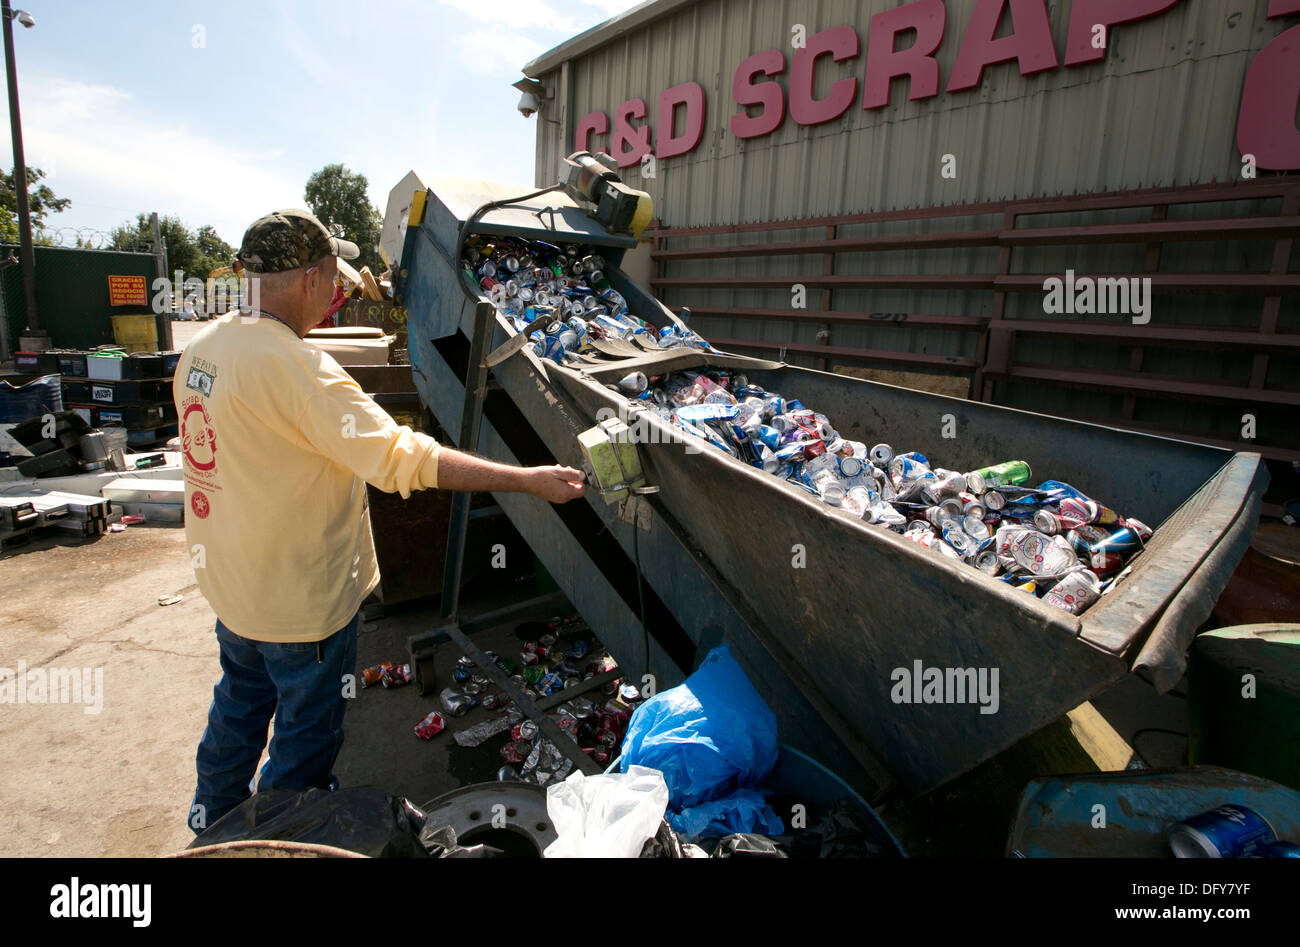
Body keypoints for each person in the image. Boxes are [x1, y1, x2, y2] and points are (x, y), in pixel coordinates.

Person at [175, 208, 586, 834]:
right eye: (330, 278)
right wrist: (524, 479)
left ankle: (211, 830)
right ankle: (280, 841)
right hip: (300, 605)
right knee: (302, 748)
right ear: (311, 277)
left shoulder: (201, 350)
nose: (335, 290)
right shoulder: (300, 371)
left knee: (236, 711)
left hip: (232, 590)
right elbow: (402, 459)